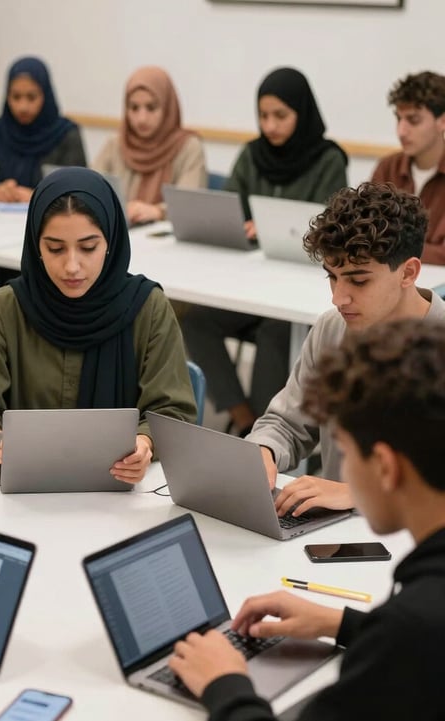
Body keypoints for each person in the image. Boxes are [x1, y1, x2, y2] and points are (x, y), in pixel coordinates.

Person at [169, 318, 445, 721]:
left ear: (385, 466)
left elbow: (414, 639)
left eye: (347, 454)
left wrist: (225, 684)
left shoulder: (410, 629)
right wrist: (342, 623)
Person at [0, 167, 196, 484]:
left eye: (88, 247)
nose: (72, 266)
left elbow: (173, 412)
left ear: (111, 242)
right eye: (55, 248)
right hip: (21, 490)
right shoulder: (4, 310)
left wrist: (144, 444)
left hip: (124, 492)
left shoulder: (148, 309)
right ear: (36, 245)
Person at [247, 181, 445, 518]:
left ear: (408, 272)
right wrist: (263, 451)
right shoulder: (332, 329)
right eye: (332, 277)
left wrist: (359, 492)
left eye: (358, 280)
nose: (338, 298)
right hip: (337, 530)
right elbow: (287, 423)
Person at [182, 67, 348, 434]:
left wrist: (273, 226)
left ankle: (264, 429)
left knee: (277, 331)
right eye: (263, 115)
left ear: (302, 114)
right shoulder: (252, 153)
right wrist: (243, 225)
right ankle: (244, 417)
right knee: (195, 320)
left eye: (280, 116)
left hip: (297, 289)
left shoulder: (328, 159)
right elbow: (228, 208)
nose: (270, 125)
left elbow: (330, 224)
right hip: (247, 282)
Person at [92, 66, 206, 225]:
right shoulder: (115, 143)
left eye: (151, 108)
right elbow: (89, 191)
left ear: (167, 108)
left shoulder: (188, 147)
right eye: (134, 108)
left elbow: (190, 204)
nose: (142, 118)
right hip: (118, 234)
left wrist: (159, 211)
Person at [0, 56, 87, 203]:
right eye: (16, 97)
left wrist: (39, 198)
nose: (23, 107)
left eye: (31, 97)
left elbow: (78, 195)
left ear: (45, 95)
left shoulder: (66, 135)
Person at [371, 71, 445, 263]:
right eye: (398, 119)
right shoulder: (387, 168)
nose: (401, 131)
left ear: (442, 121)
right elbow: (368, 234)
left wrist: (389, 248)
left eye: (413, 120)